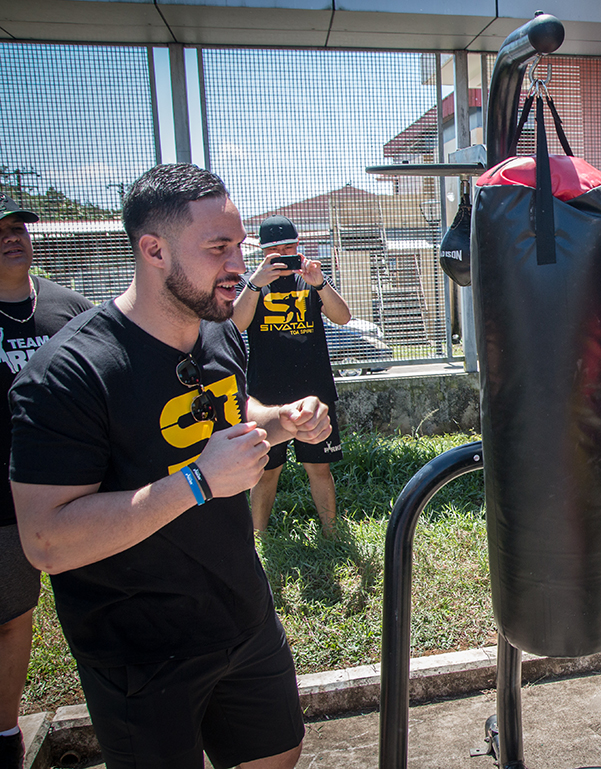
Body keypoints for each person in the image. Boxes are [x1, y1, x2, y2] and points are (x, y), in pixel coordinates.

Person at [9, 164, 333, 769]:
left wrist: (281, 419)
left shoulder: (218, 333)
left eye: (238, 245)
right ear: (152, 249)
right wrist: (198, 482)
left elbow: (234, 418)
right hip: (140, 649)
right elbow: (47, 540)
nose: (239, 263)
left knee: (278, 755)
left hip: (243, 618)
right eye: (218, 248)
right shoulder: (68, 375)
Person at [0, 194, 92, 769]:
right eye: (0, 230)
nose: (12, 237)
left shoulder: (67, 308)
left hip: (72, 493)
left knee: (88, 611)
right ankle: (5, 728)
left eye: (18, 228)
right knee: (9, 619)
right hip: (2, 505)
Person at [233, 215, 350, 534]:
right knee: (266, 470)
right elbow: (236, 325)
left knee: (319, 467)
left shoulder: (310, 280)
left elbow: (343, 317)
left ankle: (331, 533)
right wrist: (255, 283)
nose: (287, 254)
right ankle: (257, 535)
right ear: (265, 252)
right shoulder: (253, 285)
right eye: (278, 250)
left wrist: (321, 283)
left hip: (315, 393)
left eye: (292, 247)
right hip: (266, 397)